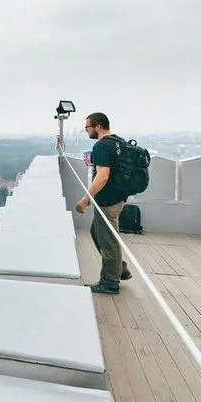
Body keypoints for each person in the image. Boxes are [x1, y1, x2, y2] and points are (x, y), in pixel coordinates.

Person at [75, 112, 131, 295]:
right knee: (97, 233)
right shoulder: (118, 141)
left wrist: (85, 199)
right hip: (119, 196)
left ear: (98, 127)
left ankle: (109, 282)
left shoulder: (101, 146)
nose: (86, 131)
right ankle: (119, 268)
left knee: (108, 241)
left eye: (88, 128)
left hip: (108, 200)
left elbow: (103, 176)